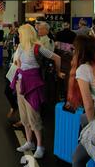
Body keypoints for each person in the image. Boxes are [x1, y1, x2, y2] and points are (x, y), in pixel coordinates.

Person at [10, 24, 64, 159]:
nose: (19, 35)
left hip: (33, 84)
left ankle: (40, 145)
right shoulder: (21, 47)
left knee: (34, 115)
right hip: (20, 82)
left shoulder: (38, 48)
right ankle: (29, 142)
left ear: (26, 34)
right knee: (24, 116)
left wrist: (58, 73)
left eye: (21, 33)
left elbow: (57, 58)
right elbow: (18, 64)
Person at [69, 35, 95, 167]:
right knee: (83, 119)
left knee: (77, 158)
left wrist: (93, 123)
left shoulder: (83, 69)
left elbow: (88, 105)